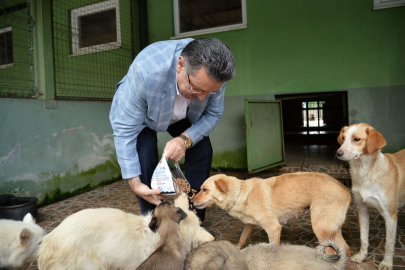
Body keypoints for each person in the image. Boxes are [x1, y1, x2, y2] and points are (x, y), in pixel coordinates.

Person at [109, 37, 236, 222]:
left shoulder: (215, 77)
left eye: (208, 93)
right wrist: (135, 184)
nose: (202, 99)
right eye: (197, 89)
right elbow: (125, 129)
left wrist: (184, 139)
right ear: (180, 65)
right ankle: (154, 221)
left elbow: (213, 114)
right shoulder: (146, 71)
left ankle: (193, 219)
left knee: (202, 149)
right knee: (144, 150)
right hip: (145, 114)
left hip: (184, 114)